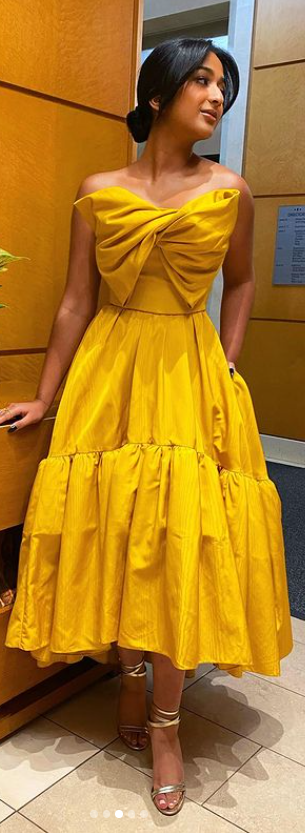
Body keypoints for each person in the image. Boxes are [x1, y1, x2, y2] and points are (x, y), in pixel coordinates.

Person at [2, 37, 293, 817]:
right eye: (201, 80)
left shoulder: (231, 190)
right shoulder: (97, 189)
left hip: (187, 369)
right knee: (119, 524)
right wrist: (45, 394)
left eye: (223, 84)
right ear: (158, 93)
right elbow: (73, 302)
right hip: (110, 366)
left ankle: (167, 723)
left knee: (178, 537)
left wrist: (227, 364)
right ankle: (129, 678)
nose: (216, 96)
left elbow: (238, 284)